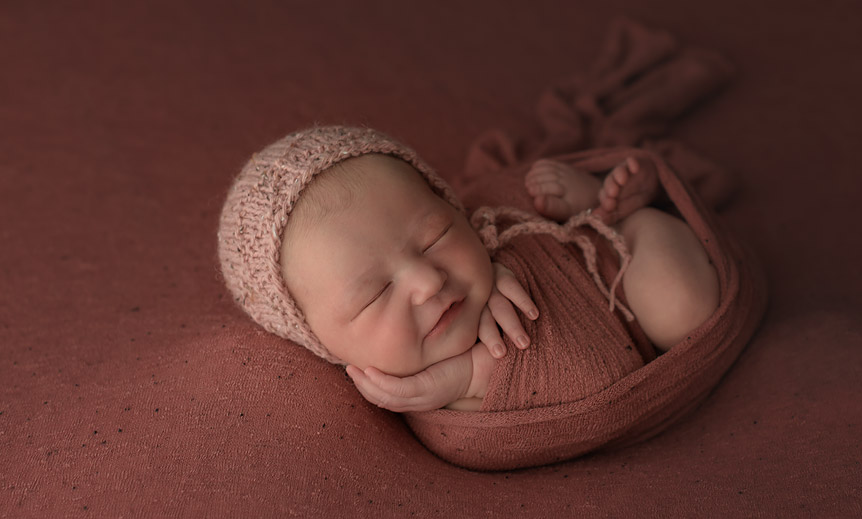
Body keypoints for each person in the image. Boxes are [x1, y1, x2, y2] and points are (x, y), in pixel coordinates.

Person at [217, 126, 719, 413]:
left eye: (436, 235)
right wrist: (472, 377)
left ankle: (623, 213)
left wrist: (563, 211)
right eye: (373, 294)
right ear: (319, 343)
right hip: (618, 339)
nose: (426, 280)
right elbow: (603, 378)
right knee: (676, 314)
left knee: (681, 309)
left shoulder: (483, 221)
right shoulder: (419, 392)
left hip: (618, 257)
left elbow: (507, 199)